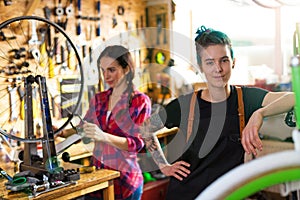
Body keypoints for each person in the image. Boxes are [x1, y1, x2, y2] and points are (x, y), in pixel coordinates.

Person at [141, 26, 295, 199]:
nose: (218, 69)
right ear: (200, 66)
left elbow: (293, 98)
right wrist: (164, 166)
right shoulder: (185, 105)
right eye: (209, 62)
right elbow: (146, 129)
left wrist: (260, 114)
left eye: (224, 60)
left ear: (233, 62)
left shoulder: (247, 99)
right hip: (189, 193)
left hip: (229, 194)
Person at [60, 45, 151, 200]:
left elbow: (137, 144)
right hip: (97, 181)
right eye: (103, 70)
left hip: (125, 183)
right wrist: (61, 132)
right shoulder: (99, 99)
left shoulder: (140, 101)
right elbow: (84, 128)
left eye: (111, 70)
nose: (106, 76)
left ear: (126, 69)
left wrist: (103, 136)